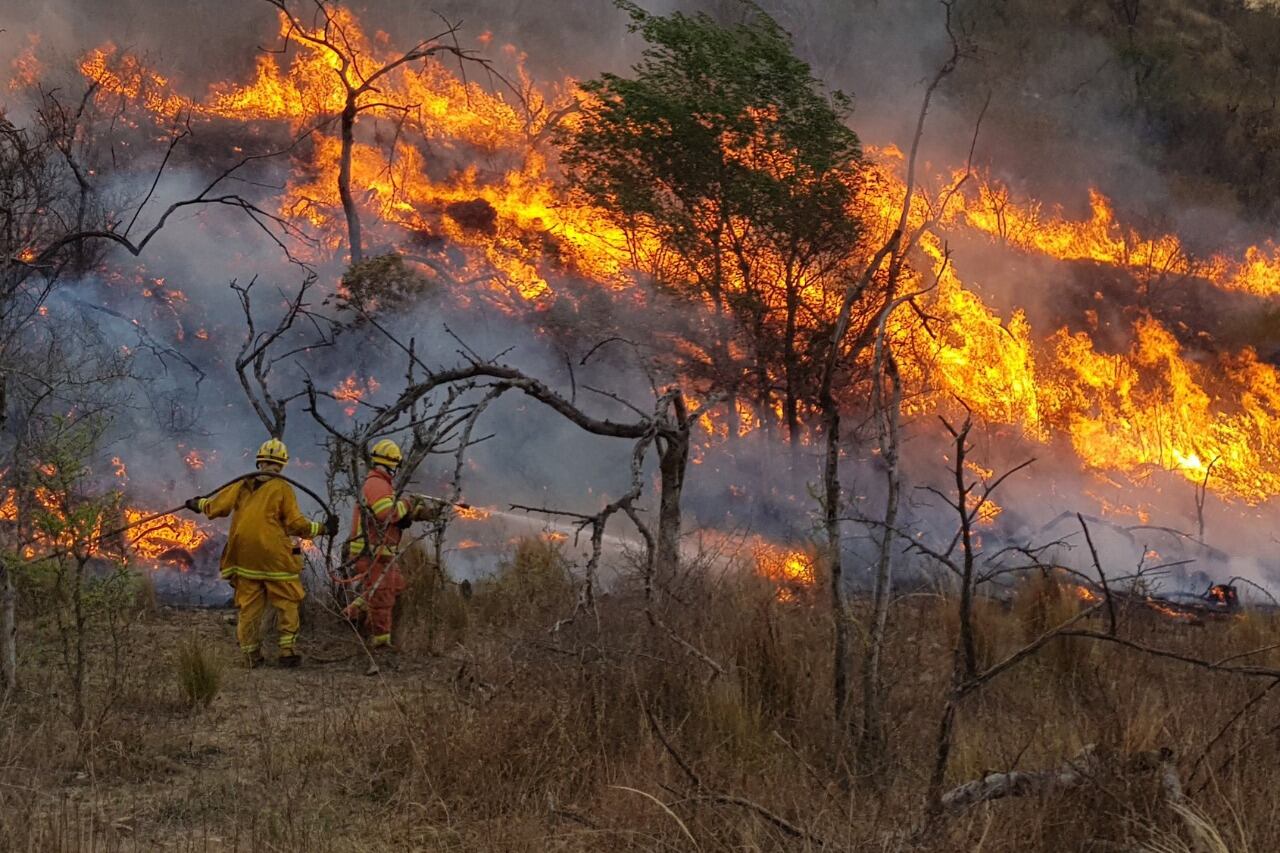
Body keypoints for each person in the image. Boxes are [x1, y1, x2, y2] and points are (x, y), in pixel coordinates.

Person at [186, 438, 338, 668]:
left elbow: (218, 507)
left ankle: (251, 655)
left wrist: (198, 504)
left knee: (249, 606)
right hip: (274, 557)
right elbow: (296, 525)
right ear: (281, 464)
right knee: (287, 599)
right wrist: (323, 528)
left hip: (243, 556)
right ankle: (287, 651)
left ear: (260, 461)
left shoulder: (241, 483)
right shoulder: (282, 488)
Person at [342, 439, 441, 650]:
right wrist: (407, 504)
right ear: (392, 464)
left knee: (396, 585)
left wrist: (420, 513)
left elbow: (392, 513)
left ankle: (353, 613)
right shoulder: (377, 484)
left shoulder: (381, 484)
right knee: (383, 598)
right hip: (372, 553)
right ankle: (381, 643)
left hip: (381, 553)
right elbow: (386, 513)